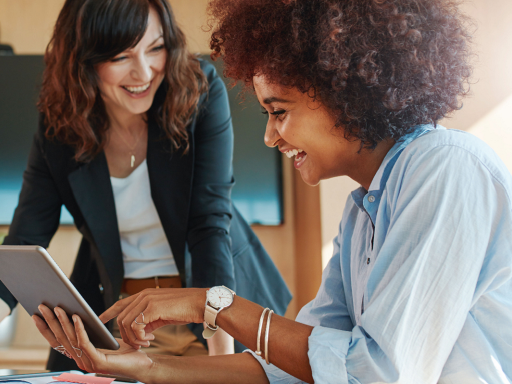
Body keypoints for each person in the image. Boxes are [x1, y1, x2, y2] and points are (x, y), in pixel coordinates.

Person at [33, 0, 512, 382]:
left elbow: (374, 375)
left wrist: (210, 305)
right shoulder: (362, 210)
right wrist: (145, 370)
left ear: (342, 91)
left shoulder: (445, 167)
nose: (269, 137)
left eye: (278, 111)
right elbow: (301, 367)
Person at [0, 0, 291, 371]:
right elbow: (26, 238)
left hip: (209, 311)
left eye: (155, 48)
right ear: (83, 60)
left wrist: (224, 362)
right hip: (118, 319)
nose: (144, 71)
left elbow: (209, 226)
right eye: (121, 56)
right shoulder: (61, 123)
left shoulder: (198, 91)